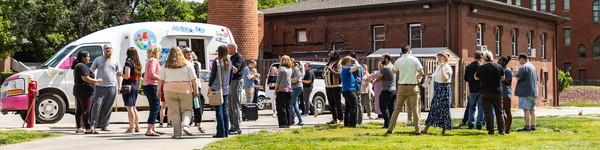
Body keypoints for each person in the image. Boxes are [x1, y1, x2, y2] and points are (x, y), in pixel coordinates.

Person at [158, 47, 199, 139]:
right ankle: (185, 124)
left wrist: (158, 90)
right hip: (185, 90)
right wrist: (195, 90)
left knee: (174, 112)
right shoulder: (187, 64)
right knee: (187, 110)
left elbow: (160, 80)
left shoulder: (165, 65)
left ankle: (177, 134)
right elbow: (194, 79)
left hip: (169, 90)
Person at [387, 45, 424, 135]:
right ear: (409, 51)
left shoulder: (398, 60)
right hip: (413, 86)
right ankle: (417, 130)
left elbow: (394, 71)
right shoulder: (414, 59)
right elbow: (422, 73)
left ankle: (390, 129)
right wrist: (417, 78)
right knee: (415, 109)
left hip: (402, 86)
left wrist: (401, 71)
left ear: (402, 51)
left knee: (397, 109)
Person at [90, 44, 122, 132]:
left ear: (112, 49)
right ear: (103, 50)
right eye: (106, 48)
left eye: (109, 48)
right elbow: (91, 70)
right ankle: (93, 124)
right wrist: (92, 81)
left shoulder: (115, 60)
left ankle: (105, 125)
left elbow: (119, 74)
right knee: (97, 105)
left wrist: (119, 86)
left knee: (108, 107)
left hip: (111, 86)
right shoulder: (98, 59)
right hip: (100, 87)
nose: (108, 50)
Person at [474, 51, 506, 135]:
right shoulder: (499, 66)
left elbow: (476, 78)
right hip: (497, 92)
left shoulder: (481, 68)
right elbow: (503, 78)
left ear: (484, 58)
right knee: (499, 112)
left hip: (485, 92)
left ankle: (491, 130)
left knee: (488, 112)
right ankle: (501, 130)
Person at [422, 53, 453, 135]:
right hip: (437, 90)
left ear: (445, 59)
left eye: (440, 57)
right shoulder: (438, 67)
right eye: (438, 57)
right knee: (433, 109)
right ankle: (425, 129)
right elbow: (435, 77)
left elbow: (445, 79)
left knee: (445, 110)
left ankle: (443, 131)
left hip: (444, 90)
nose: (438, 59)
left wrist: (443, 68)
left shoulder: (448, 68)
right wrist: (430, 76)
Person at [72, 51, 102, 134]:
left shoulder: (78, 66)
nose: (89, 58)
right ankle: (88, 128)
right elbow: (85, 78)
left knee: (79, 110)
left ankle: (79, 128)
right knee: (86, 110)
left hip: (79, 90)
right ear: (83, 58)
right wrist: (97, 81)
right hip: (85, 91)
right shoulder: (82, 66)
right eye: (87, 57)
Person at [209, 45, 233, 138]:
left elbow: (213, 75)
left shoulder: (217, 62)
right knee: (225, 110)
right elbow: (231, 76)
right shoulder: (229, 62)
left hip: (217, 87)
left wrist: (209, 86)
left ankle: (220, 133)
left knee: (218, 110)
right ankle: (226, 132)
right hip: (226, 88)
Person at [183, 48, 206, 133]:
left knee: (197, 106)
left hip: (196, 87)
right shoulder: (183, 64)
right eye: (187, 52)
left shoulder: (196, 64)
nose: (189, 53)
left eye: (190, 51)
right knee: (187, 108)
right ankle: (186, 125)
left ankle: (199, 125)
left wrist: (197, 88)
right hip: (186, 88)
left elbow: (197, 76)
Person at [515, 54, 538, 132]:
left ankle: (527, 127)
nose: (519, 61)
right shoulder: (533, 67)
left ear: (522, 59)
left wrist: (515, 72)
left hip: (525, 92)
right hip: (534, 92)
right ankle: (533, 125)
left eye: (519, 59)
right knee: (532, 110)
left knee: (526, 110)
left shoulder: (523, 67)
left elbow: (518, 77)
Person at [143, 45, 163, 136]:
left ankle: (152, 128)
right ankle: (149, 129)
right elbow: (152, 74)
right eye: (160, 51)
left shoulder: (150, 60)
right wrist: (162, 78)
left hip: (149, 86)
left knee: (153, 107)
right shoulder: (153, 60)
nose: (161, 53)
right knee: (155, 107)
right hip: (152, 86)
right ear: (156, 52)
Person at [122, 47, 142, 133]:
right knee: (133, 107)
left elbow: (127, 76)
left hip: (128, 86)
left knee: (129, 108)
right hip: (135, 85)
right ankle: (137, 126)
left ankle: (131, 127)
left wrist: (120, 74)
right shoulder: (137, 63)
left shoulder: (128, 62)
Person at [464, 52, 485, 129]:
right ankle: (479, 124)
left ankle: (470, 123)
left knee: (471, 107)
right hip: (481, 89)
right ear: (481, 58)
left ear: (474, 57)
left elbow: (465, 78)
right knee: (481, 107)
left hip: (472, 89)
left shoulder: (469, 66)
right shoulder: (482, 67)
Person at [227, 43, 244, 135]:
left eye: (228, 48)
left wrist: (227, 63)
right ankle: (232, 126)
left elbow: (235, 70)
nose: (227, 49)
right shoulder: (231, 57)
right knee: (230, 105)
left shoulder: (238, 57)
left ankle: (237, 127)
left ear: (233, 48)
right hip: (230, 82)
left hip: (236, 81)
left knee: (235, 104)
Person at [376, 55, 396, 128]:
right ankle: (392, 124)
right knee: (391, 108)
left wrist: (379, 68)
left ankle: (387, 123)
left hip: (386, 90)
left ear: (387, 59)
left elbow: (378, 77)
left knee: (383, 107)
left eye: (382, 59)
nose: (381, 61)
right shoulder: (393, 67)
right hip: (393, 90)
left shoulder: (385, 68)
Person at [340, 56, 360, 127]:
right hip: (349, 90)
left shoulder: (343, 69)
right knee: (354, 106)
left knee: (348, 108)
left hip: (346, 90)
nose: (351, 62)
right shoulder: (346, 69)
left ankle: (346, 123)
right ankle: (352, 124)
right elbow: (358, 67)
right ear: (346, 62)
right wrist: (355, 60)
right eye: (350, 61)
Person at [324, 50, 343, 124]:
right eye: (329, 54)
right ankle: (334, 119)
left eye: (331, 54)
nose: (329, 55)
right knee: (331, 104)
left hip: (336, 86)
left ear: (335, 55)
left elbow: (339, 75)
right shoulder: (328, 64)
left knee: (338, 103)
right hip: (328, 86)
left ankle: (341, 119)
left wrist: (331, 70)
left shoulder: (339, 63)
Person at [275, 55, 294, 128]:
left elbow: (278, 80)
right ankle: (289, 122)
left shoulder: (281, 69)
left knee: (281, 107)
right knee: (287, 107)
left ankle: (283, 123)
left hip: (281, 90)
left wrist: (275, 89)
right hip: (289, 90)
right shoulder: (290, 69)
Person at [498, 55, 513, 134]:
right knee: (501, 112)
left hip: (506, 93)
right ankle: (504, 128)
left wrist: (501, 78)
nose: (498, 61)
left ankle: (508, 129)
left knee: (507, 111)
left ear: (504, 62)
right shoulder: (500, 69)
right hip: (499, 93)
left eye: (500, 60)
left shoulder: (508, 70)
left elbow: (508, 82)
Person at [350, 53, 363, 125]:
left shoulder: (356, 67)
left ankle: (358, 121)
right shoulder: (360, 66)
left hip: (354, 86)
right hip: (358, 85)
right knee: (358, 103)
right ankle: (359, 120)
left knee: (357, 104)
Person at [290, 60, 304, 125]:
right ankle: (300, 120)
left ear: (293, 63)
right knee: (295, 105)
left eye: (290, 63)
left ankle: (291, 121)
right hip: (295, 88)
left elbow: (296, 80)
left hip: (297, 88)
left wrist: (288, 80)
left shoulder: (296, 69)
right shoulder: (293, 69)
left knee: (290, 104)